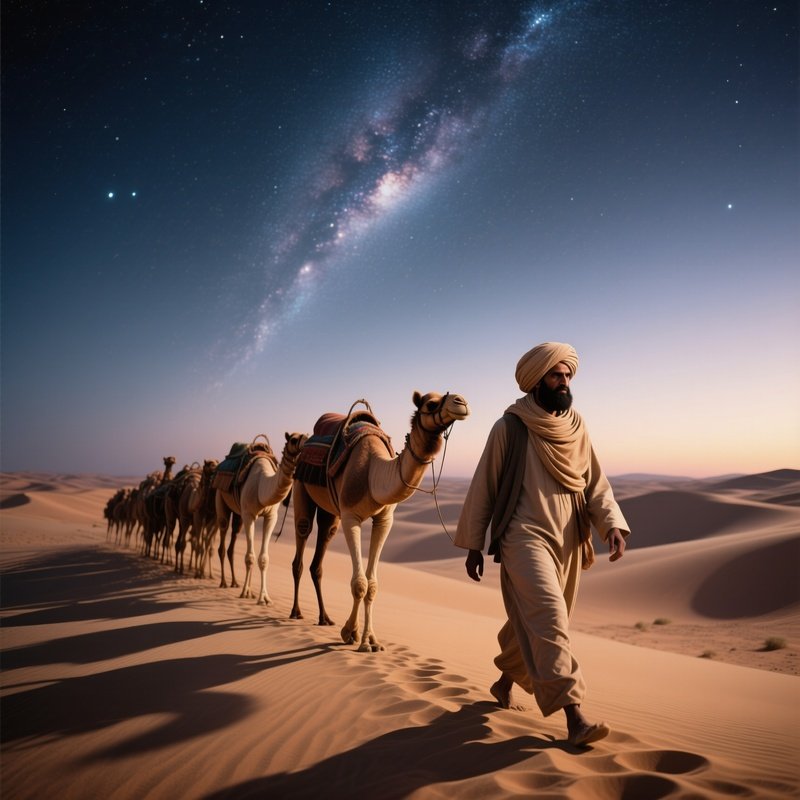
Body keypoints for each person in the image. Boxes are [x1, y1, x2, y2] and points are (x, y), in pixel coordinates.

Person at [454, 341, 630, 747]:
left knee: (538, 620)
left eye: (567, 375)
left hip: (569, 536)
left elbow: (594, 482)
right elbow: (485, 485)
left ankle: (504, 682)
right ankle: (574, 717)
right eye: (555, 375)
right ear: (536, 380)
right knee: (550, 618)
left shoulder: (576, 426)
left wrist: (611, 525)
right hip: (523, 536)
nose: (564, 381)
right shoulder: (509, 427)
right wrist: (474, 544)